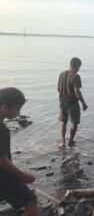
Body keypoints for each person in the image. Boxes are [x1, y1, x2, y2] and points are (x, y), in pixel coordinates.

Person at [0, 88, 37, 216]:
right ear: (5, 107)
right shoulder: (2, 130)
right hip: (3, 176)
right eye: (17, 109)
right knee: (30, 199)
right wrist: (23, 176)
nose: (19, 112)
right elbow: (2, 160)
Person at [58, 57, 88, 148]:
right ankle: (70, 141)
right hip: (72, 103)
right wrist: (83, 102)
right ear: (77, 66)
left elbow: (58, 89)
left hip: (62, 101)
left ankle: (62, 142)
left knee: (64, 122)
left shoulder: (62, 74)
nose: (79, 69)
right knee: (75, 123)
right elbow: (77, 92)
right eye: (79, 67)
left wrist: (64, 95)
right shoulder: (76, 76)